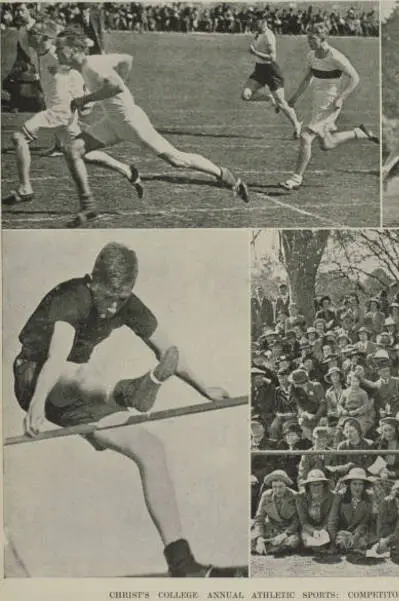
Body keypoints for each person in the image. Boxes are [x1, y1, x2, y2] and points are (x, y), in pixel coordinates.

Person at [13, 241, 233, 576]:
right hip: (37, 378)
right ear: (93, 282)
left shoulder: (127, 303)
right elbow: (57, 357)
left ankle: (182, 562)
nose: (113, 307)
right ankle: (130, 390)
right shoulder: (71, 297)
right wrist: (36, 404)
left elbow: (168, 349)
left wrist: (204, 387)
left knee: (150, 449)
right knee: (83, 373)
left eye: (121, 298)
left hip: (83, 402)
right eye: (107, 297)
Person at [55, 32, 248, 227]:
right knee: (73, 149)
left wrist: (86, 99)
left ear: (74, 50)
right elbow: (126, 59)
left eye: (59, 49)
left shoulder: (93, 66)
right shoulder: (91, 62)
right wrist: (111, 86)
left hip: (132, 123)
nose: (56, 52)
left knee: (178, 160)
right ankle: (88, 206)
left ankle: (225, 175)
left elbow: (116, 88)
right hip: (112, 123)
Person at [4, 21, 141, 207]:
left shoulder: (57, 55)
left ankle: (25, 188)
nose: (29, 35)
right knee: (83, 153)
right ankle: (127, 170)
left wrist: (85, 98)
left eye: (33, 33)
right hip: (61, 113)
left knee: (19, 137)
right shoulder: (39, 52)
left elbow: (79, 71)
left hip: (59, 111)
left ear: (44, 38)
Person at [280, 23, 378, 191]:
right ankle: (359, 132)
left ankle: (296, 178)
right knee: (327, 143)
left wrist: (342, 97)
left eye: (312, 38)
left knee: (305, 137)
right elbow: (307, 79)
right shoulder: (311, 56)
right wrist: (294, 98)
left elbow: (355, 77)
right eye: (308, 38)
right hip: (318, 102)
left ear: (323, 38)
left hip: (331, 103)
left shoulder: (336, 57)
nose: (309, 42)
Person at [241, 14, 301, 138]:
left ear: (263, 22)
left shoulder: (269, 36)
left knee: (282, 104)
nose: (254, 23)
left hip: (271, 71)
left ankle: (297, 125)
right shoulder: (258, 33)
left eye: (256, 21)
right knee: (246, 95)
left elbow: (272, 58)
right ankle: (269, 97)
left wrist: (255, 52)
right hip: (259, 70)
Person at [252, 470, 301, 556]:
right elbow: (259, 519)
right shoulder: (266, 496)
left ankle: (270, 547)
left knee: (293, 541)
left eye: (281, 486)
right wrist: (259, 538)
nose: (277, 490)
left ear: (286, 485)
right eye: (274, 487)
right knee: (250, 539)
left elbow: (297, 520)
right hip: (271, 528)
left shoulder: (295, 496)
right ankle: (267, 546)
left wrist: (284, 534)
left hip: (288, 531)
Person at [333, 467, 377, 553]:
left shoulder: (369, 497)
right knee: (341, 542)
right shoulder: (340, 496)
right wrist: (332, 543)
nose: (357, 487)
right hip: (344, 531)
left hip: (361, 532)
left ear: (364, 485)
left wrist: (356, 536)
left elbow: (366, 521)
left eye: (360, 484)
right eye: (354, 484)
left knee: (364, 542)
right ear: (349, 484)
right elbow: (333, 520)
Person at [295, 469, 340, 553]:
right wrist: (314, 531)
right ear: (308, 486)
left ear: (323, 485)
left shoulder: (333, 497)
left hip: (326, 528)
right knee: (308, 542)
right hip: (309, 529)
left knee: (327, 540)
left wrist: (323, 530)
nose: (316, 488)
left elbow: (331, 519)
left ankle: (323, 546)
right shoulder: (300, 497)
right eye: (313, 485)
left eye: (318, 485)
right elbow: (303, 522)